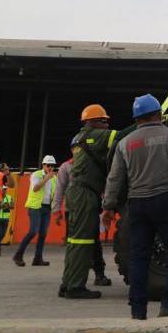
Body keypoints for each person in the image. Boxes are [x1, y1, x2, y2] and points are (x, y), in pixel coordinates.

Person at [102, 94, 168, 320]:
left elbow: (114, 178)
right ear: (159, 113)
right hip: (165, 200)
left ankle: (138, 310)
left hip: (137, 204)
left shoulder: (124, 143)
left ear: (136, 118)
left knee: (139, 257)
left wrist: (108, 206)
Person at [59, 104, 118, 299]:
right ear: (92, 122)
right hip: (84, 193)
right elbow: (119, 136)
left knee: (75, 241)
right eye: (104, 121)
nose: (107, 124)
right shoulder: (95, 135)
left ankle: (67, 284)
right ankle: (76, 287)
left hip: (77, 191)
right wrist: (143, 123)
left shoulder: (79, 137)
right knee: (83, 240)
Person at [52, 139, 112, 286]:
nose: (78, 151)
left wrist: (106, 208)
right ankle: (71, 277)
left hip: (91, 209)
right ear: (72, 150)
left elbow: (103, 188)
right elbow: (59, 189)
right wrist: (56, 210)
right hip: (72, 211)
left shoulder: (94, 166)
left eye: (81, 149)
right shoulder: (66, 167)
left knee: (94, 243)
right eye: (75, 149)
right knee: (74, 243)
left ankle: (99, 274)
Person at [13, 155, 58, 267]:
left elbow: (55, 193)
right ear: (43, 165)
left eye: (53, 166)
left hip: (47, 208)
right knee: (33, 231)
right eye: (48, 165)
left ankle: (38, 258)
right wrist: (47, 177)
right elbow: (35, 188)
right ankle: (18, 255)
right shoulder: (36, 175)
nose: (50, 167)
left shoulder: (55, 178)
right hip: (35, 207)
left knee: (43, 234)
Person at [0, 185, 14, 257]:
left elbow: (12, 206)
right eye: (3, 189)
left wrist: (4, 205)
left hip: (6, 218)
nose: (4, 191)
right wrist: (4, 205)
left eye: (5, 189)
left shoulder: (9, 197)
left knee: (3, 234)